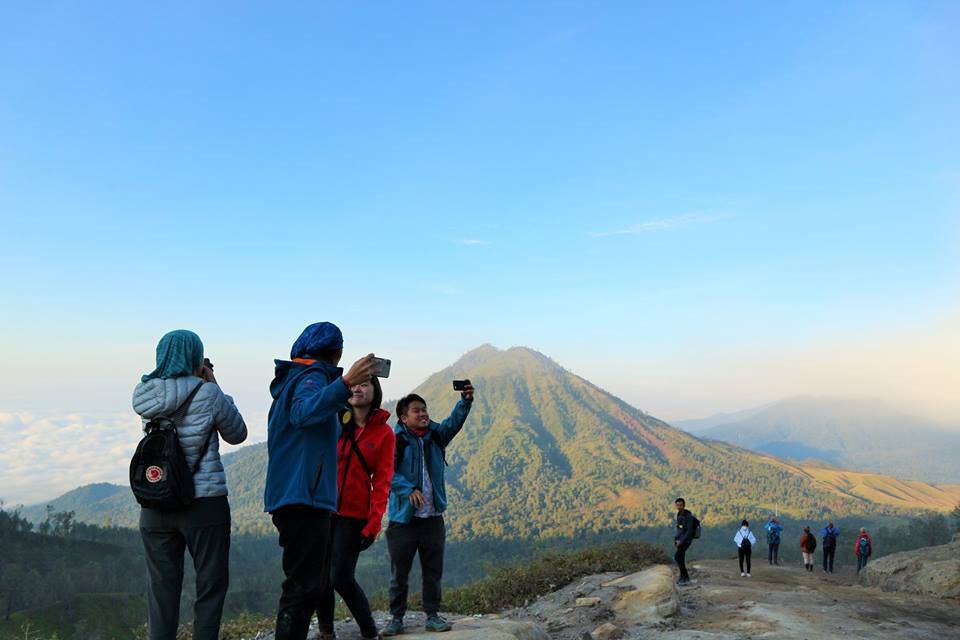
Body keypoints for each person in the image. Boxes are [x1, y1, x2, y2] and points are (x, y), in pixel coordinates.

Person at [263, 322, 379, 640]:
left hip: (297, 495)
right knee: (303, 587)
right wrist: (344, 384)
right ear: (336, 351)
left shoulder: (296, 377)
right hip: (303, 496)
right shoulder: (311, 376)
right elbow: (303, 413)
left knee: (306, 585)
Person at [133, 330, 248, 640]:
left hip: (156, 500)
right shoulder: (208, 393)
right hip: (203, 503)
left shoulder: (145, 394)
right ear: (196, 357)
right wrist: (213, 382)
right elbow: (237, 433)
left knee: (161, 592)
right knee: (210, 588)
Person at [381, 383, 475, 636]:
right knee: (399, 573)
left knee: (433, 571)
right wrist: (408, 488)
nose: (423, 414)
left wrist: (465, 401)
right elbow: (386, 471)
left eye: (424, 410)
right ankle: (396, 618)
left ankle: (432, 616)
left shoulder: (436, 435)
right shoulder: (396, 439)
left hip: (433, 517)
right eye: (416, 411)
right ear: (404, 417)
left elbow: (453, 423)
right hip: (403, 521)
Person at [317, 377, 395, 640]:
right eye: (354, 384)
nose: (357, 389)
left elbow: (382, 482)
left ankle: (369, 631)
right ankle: (326, 631)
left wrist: (373, 525)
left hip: (353, 516)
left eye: (365, 384)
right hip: (323, 508)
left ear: (376, 391)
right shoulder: (335, 420)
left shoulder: (384, 433)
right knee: (321, 576)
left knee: (340, 576)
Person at [673, 498, 696, 586]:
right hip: (680, 540)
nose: (679, 507)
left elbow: (689, 531)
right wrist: (675, 539)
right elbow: (679, 529)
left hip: (686, 540)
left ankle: (684, 576)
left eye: (680, 505)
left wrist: (681, 541)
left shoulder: (688, 516)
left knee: (677, 556)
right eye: (677, 505)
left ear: (684, 505)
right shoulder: (679, 515)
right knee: (680, 558)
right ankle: (684, 577)